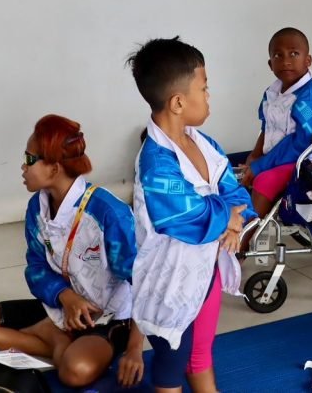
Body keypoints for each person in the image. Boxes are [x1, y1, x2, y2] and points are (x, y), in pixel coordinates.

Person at [127, 37, 256, 393]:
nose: (209, 96)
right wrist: (227, 218)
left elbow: (234, 190)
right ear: (178, 102)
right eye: (204, 88)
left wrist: (235, 223)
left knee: (200, 352)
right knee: (171, 364)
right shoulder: (155, 162)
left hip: (206, 272)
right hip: (169, 284)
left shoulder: (204, 144)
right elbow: (185, 216)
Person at [20, 114, 144, 389]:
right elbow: (35, 267)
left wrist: (135, 348)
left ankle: (48, 339)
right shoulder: (36, 207)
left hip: (109, 317)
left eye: (29, 159)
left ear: (54, 167)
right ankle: (55, 339)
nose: (23, 166)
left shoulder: (108, 213)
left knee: (75, 371)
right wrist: (66, 297)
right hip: (61, 304)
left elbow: (143, 282)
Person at [239, 27, 312, 220]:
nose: (286, 61)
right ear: (270, 64)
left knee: (264, 181)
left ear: (308, 60)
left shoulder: (308, 99)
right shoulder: (272, 92)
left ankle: (247, 234)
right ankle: (231, 221)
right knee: (232, 167)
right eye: (278, 55)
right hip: (280, 154)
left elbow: (301, 144)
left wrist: (260, 166)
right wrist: (254, 156)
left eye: (294, 54)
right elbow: (267, 127)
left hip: (308, 159)